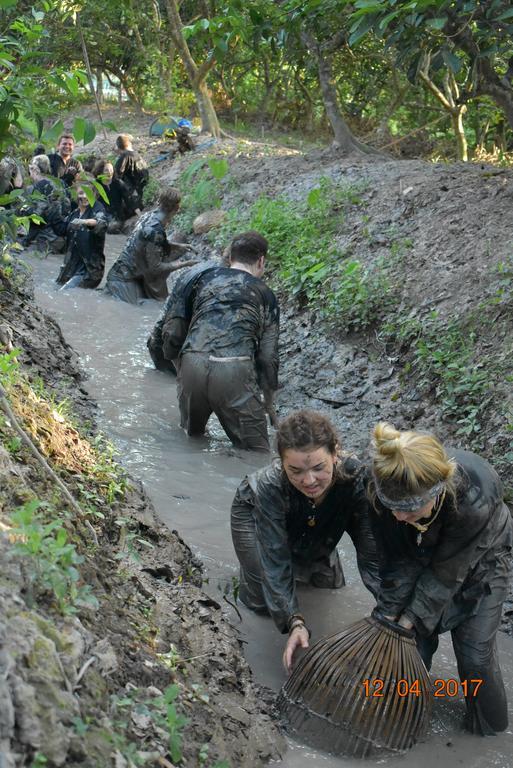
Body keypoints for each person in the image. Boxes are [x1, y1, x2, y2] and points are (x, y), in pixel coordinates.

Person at [367, 421, 512, 736]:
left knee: (475, 658)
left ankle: (489, 732)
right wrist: (390, 616)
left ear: (438, 490)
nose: (398, 517)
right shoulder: (381, 488)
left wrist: (410, 619)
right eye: (393, 508)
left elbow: (447, 573)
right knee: (409, 646)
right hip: (421, 552)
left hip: (482, 559)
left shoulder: (475, 496)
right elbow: (394, 559)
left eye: (410, 509)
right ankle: (403, 724)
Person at [231, 409, 380, 671]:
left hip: (320, 513)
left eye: (319, 467)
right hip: (255, 512)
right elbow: (275, 559)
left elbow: (371, 553)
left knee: (326, 585)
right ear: (281, 463)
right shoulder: (270, 485)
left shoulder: (356, 479)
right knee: (263, 597)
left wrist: (389, 611)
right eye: (296, 470)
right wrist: (295, 622)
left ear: (335, 453)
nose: (309, 480)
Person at [161, 231, 279, 451]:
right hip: (234, 368)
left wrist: (180, 368)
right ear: (261, 261)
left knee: (191, 439)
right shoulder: (265, 293)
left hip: (192, 363)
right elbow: (268, 356)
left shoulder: (204, 279)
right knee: (256, 453)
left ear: (230, 257)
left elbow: (173, 330)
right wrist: (269, 404)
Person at [104, 187, 197, 304]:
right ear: (177, 208)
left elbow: (150, 242)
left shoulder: (148, 216)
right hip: (122, 281)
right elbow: (155, 268)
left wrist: (179, 246)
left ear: (159, 201)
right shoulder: (155, 229)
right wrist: (184, 264)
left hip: (122, 274)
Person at [147, 259, 219, 374]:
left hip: (161, 342)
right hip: (171, 348)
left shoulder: (203, 268)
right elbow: (175, 331)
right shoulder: (216, 280)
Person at [56, 182, 107, 289]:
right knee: (55, 288)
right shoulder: (74, 213)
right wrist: (53, 207)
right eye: (81, 193)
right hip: (71, 267)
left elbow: (100, 223)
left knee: (65, 293)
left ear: (94, 194)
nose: (84, 196)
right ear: (76, 194)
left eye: (88, 193)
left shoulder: (97, 207)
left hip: (89, 269)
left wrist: (83, 222)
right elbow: (60, 229)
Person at [20, 154, 70, 253]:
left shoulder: (39, 187)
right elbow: (66, 208)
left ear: (35, 169)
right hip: (62, 237)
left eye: (30, 168)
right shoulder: (60, 183)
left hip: (47, 241)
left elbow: (37, 218)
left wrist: (23, 211)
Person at [93, 159, 136, 233]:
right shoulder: (96, 184)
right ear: (101, 171)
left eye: (111, 170)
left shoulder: (118, 183)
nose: (109, 172)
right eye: (106, 170)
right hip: (101, 214)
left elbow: (129, 199)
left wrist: (138, 213)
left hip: (116, 215)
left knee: (112, 227)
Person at [114, 134, 149, 212]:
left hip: (134, 191)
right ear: (129, 143)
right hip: (143, 187)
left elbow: (116, 175)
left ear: (118, 147)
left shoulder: (125, 156)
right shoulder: (136, 154)